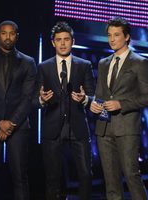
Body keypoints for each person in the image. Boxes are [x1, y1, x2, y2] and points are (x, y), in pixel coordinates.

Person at [90, 17, 148, 200]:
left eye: (116, 35)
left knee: (131, 175)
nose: (112, 39)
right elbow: (100, 94)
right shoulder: (103, 63)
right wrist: (94, 104)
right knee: (110, 182)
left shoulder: (140, 62)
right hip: (104, 128)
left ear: (127, 37)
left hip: (126, 127)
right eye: (110, 35)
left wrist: (122, 104)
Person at [0, 20, 37, 200]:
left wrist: (10, 123)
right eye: (4, 33)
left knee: (20, 177)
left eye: (11, 33)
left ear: (17, 36)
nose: (7, 37)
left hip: (17, 126)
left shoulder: (28, 62)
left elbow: (28, 97)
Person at [35, 21, 95, 200]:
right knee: (53, 178)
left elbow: (93, 95)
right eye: (58, 39)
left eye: (66, 39)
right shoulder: (43, 67)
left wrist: (84, 99)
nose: (62, 43)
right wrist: (41, 100)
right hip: (52, 128)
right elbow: (34, 99)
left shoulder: (84, 65)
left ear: (73, 41)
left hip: (78, 127)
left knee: (85, 174)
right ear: (53, 42)